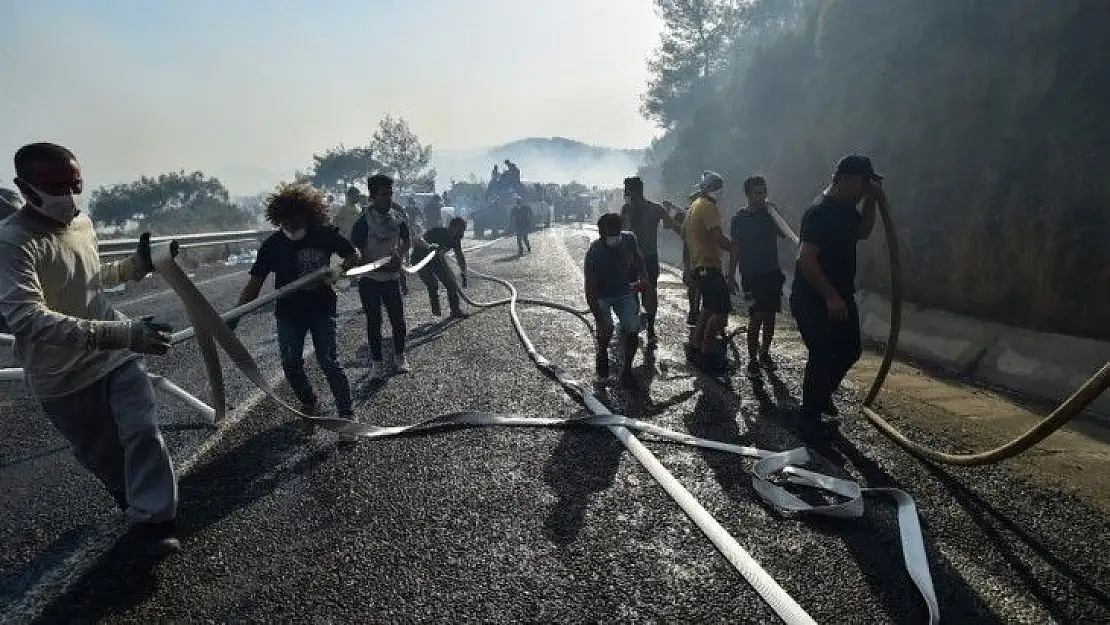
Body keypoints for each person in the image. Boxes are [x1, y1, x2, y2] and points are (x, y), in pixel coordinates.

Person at [0, 143, 179, 555]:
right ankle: (133, 500)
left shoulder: (83, 223)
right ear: (24, 188)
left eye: (74, 184)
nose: (67, 195)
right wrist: (121, 334)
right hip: (60, 374)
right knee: (103, 456)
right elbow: (28, 318)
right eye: (54, 186)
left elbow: (90, 279)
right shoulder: (12, 242)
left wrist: (134, 267)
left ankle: (157, 524)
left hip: (114, 354)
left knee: (142, 432)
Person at [231, 183, 360, 439]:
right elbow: (254, 285)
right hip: (289, 313)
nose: (290, 225)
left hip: (322, 308)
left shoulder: (323, 234)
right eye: (284, 221)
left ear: (309, 215)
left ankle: (347, 416)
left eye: (295, 219)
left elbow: (353, 253)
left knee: (328, 362)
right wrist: (235, 316)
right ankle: (309, 402)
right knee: (290, 364)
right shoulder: (272, 245)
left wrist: (340, 270)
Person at [791, 155, 882, 438]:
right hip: (813, 297)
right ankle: (809, 421)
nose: (865, 188)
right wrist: (830, 297)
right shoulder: (820, 212)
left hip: (841, 294)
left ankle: (820, 396)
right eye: (863, 183)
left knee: (850, 350)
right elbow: (806, 260)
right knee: (822, 354)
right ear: (846, 179)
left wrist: (871, 200)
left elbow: (863, 231)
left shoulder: (846, 208)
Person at [351, 174, 411, 381]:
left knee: (398, 320)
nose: (389, 198)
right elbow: (358, 251)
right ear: (373, 196)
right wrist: (377, 266)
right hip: (369, 279)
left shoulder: (397, 218)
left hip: (391, 278)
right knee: (374, 321)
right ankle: (376, 364)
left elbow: (406, 239)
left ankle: (400, 357)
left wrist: (400, 256)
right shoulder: (362, 223)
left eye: (390, 193)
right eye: (384, 194)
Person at [728, 176, 789, 377]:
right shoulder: (739, 219)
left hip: (771, 272)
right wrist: (731, 274)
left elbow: (785, 234)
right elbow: (735, 247)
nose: (761, 197)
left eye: (764, 192)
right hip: (751, 275)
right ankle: (752, 359)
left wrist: (775, 213)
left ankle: (765, 354)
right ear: (747, 194)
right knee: (756, 316)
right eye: (757, 193)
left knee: (770, 316)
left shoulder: (769, 214)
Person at [584, 212, 648, 388]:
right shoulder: (594, 253)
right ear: (602, 234)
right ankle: (602, 352)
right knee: (607, 331)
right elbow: (590, 291)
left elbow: (638, 258)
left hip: (624, 292)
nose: (615, 238)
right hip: (602, 296)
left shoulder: (629, 239)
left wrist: (643, 276)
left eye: (617, 233)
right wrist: (600, 319)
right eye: (610, 235)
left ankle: (627, 369)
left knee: (632, 330)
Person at [620, 176, 681, 347]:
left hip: (637, 260)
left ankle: (640, 328)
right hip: (645, 259)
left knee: (638, 294)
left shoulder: (629, 209)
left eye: (627, 190)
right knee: (647, 293)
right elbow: (672, 225)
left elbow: (621, 234)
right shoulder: (653, 209)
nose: (625, 193)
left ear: (632, 191)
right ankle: (648, 330)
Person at [683, 171, 733, 374]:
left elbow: (686, 234)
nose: (719, 192)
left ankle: (696, 346)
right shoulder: (708, 207)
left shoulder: (695, 206)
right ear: (707, 188)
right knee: (721, 312)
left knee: (708, 309)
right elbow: (717, 237)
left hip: (699, 265)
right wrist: (736, 246)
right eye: (716, 188)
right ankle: (707, 351)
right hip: (708, 265)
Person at [411, 216, 470, 319]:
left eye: (463, 231)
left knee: (451, 283)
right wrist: (428, 246)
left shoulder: (455, 239)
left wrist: (463, 272)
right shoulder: (437, 232)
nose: (462, 234)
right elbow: (417, 239)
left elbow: (459, 255)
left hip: (436, 260)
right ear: (453, 227)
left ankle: (455, 311)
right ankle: (435, 306)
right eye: (461, 230)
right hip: (419, 259)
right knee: (432, 283)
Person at [667, 201, 701, 326]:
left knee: (696, 288)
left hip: (700, 260)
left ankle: (695, 313)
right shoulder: (688, 228)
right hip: (695, 261)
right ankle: (695, 312)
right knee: (695, 287)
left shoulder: (695, 223)